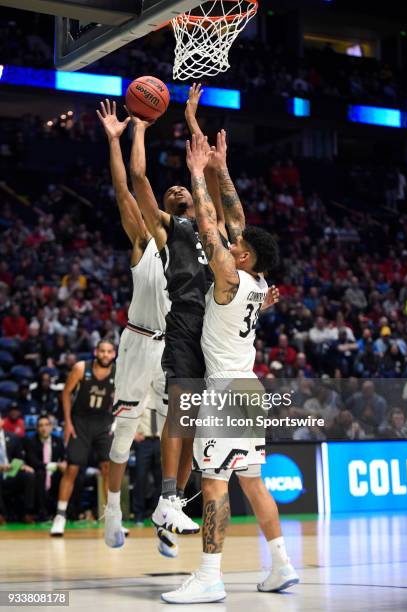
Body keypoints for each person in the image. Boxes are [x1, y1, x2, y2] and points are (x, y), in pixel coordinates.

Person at [162, 133, 298, 603]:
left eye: (236, 246)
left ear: (242, 257)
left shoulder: (230, 277)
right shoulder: (259, 284)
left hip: (222, 393)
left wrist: (199, 172)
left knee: (214, 482)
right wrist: (222, 170)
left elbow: (207, 223)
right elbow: (234, 218)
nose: (232, 242)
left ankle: (209, 576)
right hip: (251, 391)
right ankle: (281, 563)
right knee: (253, 481)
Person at [129, 84, 227, 535]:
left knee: (199, 423)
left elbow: (207, 173)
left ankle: (177, 503)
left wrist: (191, 120)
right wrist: (139, 130)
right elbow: (139, 181)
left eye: (181, 188)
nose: (175, 189)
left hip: (220, 330)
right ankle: (167, 496)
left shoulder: (214, 225)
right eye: (172, 192)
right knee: (182, 408)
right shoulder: (169, 230)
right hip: (186, 321)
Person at [95, 100, 174, 556]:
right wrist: (118, 138)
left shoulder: (192, 251)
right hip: (138, 342)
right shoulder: (144, 244)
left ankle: (167, 514)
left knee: (173, 434)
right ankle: (112, 512)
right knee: (124, 433)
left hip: (173, 350)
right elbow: (125, 187)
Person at [50, 340, 116, 536]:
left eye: (109, 352)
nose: (105, 355)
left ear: (113, 354)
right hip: (80, 422)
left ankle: (112, 519)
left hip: (103, 422)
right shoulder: (81, 368)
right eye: (102, 351)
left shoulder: (118, 372)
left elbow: (123, 398)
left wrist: (117, 422)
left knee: (108, 469)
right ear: (96, 352)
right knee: (71, 469)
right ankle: (60, 516)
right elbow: (66, 393)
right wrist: (68, 423)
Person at [25, 415, 66, 520]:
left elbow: (64, 457)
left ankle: (65, 512)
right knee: (40, 474)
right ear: (37, 428)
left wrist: (64, 464)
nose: (44, 428)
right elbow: (33, 462)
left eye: (46, 425)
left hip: (55, 472)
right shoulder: (31, 441)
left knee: (67, 475)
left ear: (51, 427)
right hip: (40, 471)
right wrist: (54, 465)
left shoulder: (58, 440)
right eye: (40, 425)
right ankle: (42, 512)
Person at [0, 412, 35, 525]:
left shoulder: (13, 437)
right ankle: (1, 514)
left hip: (11, 472)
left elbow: (19, 458)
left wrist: (21, 465)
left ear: (2, 421)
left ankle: (27, 513)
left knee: (29, 475)